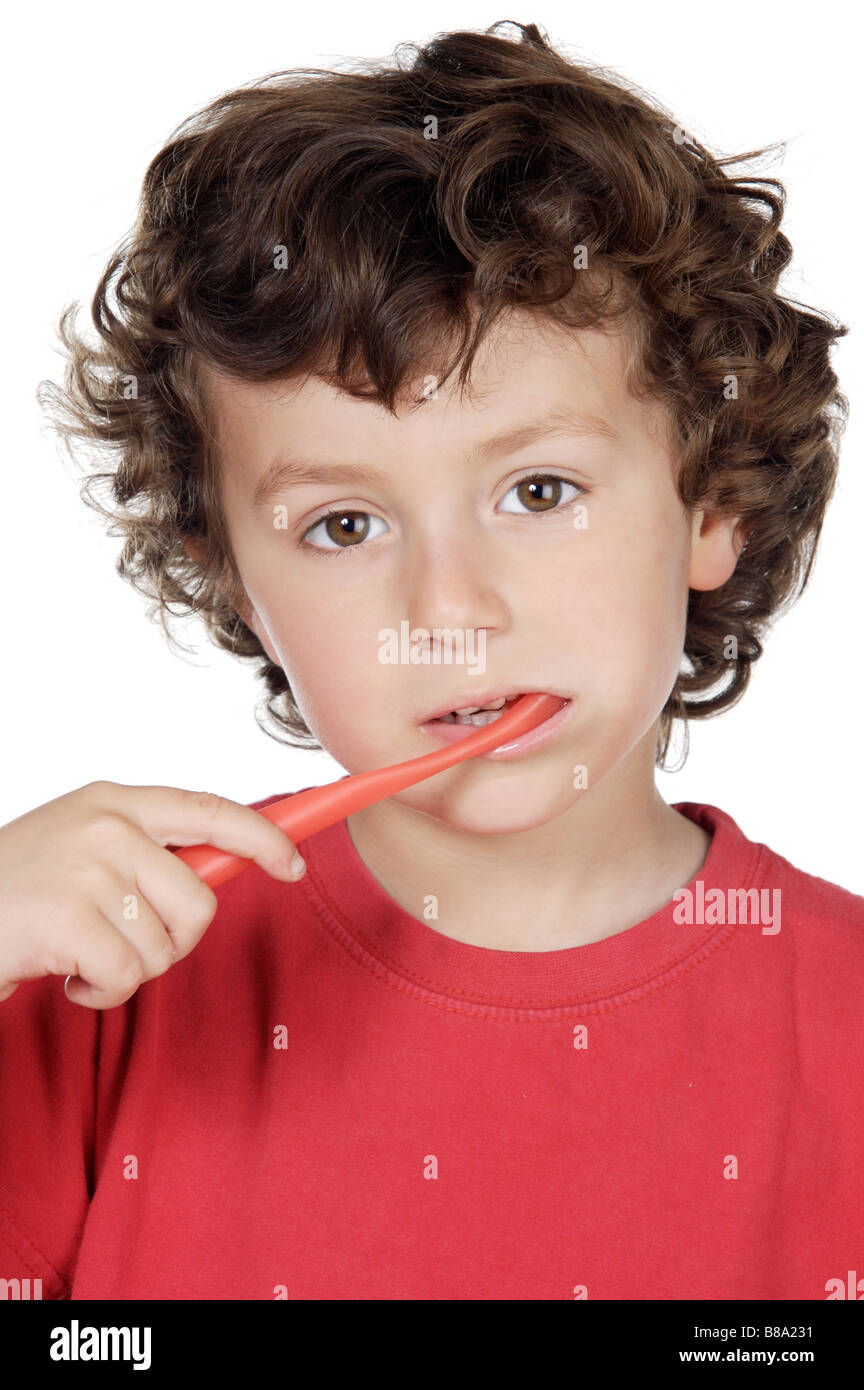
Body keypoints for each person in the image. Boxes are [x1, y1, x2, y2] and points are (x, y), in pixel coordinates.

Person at [1, 21, 861, 1301]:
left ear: (711, 504)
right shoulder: (88, 1007)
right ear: (233, 573)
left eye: (539, 489)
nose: (448, 606)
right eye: (344, 526)